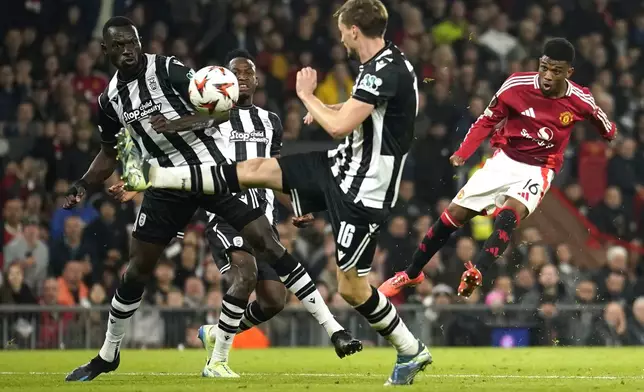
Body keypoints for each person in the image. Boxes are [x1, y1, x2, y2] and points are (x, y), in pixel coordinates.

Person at [117, 0, 431, 386]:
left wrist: (308, 97)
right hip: (340, 165)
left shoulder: (384, 70)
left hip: (363, 189)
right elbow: (361, 113)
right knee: (255, 170)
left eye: (340, 30)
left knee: (351, 288)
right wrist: (326, 107)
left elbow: (339, 126)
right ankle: (154, 176)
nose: (339, 37)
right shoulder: (384, 63)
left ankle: (410, 348)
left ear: (352, 30)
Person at [64, 17, 359, 382]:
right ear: (105, 50)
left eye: (133, 43)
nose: (128, 51)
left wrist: (178, 124)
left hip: (208, 173)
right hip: (166, 185)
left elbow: (218, 107)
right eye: (119, 46)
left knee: (266, 243)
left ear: (140, 42)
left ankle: (334, 331)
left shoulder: (167, 69)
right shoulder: (109, 100)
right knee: (137, 270)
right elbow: (109, 152)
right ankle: (108, 353)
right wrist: (82, 183)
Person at [378, 37, 616, 299]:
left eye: (556, 71)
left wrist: (610, 134)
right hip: (504, 160)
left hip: (539, 169)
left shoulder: (579, 99)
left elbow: (604, 123)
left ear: (568, 73)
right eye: (544, 67)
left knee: (510, 212)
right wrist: (463, 151)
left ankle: (477, 272)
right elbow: (486, 119)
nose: (548, 76)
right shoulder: (516, 85)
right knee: (453, 215)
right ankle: (412, 273)